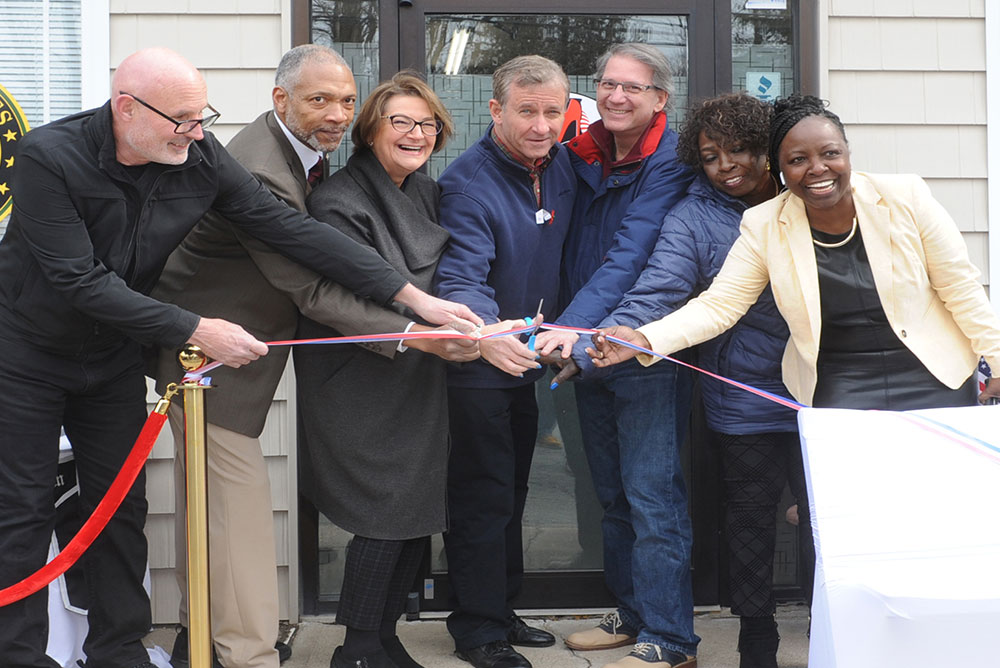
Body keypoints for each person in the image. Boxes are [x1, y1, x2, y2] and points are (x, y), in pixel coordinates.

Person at [0, 46, 475, 668]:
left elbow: (294, 233)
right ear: (126, 108)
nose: (197, 134)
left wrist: (413, 298)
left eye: (203, 118)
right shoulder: (46, 158)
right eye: (182, 121)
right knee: (23, 510)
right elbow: (79, 281)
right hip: (28, 355)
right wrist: (197, 326)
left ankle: (119, 651)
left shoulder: (196, 153)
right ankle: (19, 656)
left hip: (111, 357)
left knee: (119, 506)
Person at [151, 45, 475, 668]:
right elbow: (311, 287)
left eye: (346, 101)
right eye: (319, 99)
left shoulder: (304, 160)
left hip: (239, 360)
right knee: (238, 522)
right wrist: (413, 328)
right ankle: (246, 655)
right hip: (210, 363)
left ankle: (200, 640)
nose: (336, 113)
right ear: (281, 100)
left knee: (212, 517)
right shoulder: (265, 170)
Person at [588, 94, 1000, 413]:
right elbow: (719, 306)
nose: (817, 168)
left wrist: (997, 359)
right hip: (841, 383)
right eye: (798, 160)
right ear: (779, 169)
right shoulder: (765, 224)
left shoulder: (905, 195)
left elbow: (959, 287)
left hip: (934, 373)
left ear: (847, 153)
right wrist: (644, 338)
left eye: (830, 153)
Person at [597, 93, 810, 668]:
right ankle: (757, 642)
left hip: (822, 394)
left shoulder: (810, 197)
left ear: (767, 149)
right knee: (749, 523)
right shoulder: (692, 217)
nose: (727, 166)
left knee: (824, 519)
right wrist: (620, 330)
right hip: (743, 396)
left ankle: (833, 625)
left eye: (739, 149)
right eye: (711, 156)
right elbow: (659, 288)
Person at [294, 71, 478, 668]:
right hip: (359, 373)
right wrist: (426, 334)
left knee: (417, 506)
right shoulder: (338, 201)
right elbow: (355, 298)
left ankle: (386, 637)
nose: (415, 133)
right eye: (400, 121)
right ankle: (357, 647)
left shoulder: (424, 192)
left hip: (417, 375)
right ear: (371, 130)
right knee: (384, 510)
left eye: (426, 124)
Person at [533, 44, 696, 668]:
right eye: (607, 84)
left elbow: (631, 257)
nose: (616, 96)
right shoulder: (580, 153)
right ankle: (632, 614)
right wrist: (571, 339)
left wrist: (571, 332)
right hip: (585, 351)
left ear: (660, 99)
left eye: (632, 87)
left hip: (644, 353)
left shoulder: (671, 162)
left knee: (653, 496)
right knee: (611, 493)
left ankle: (672, 639)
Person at [433, 55, 577, 668]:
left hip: (530, 360)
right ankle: (477, 631)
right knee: (483, 495)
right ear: (496, 110)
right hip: (480, 362)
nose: (542, 125)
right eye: (527, 112)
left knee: (514, 490)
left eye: (553, 112)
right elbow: (462, 276)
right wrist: (489, 335)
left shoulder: (564, 166)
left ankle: (500, 609)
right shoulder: (467, 184)